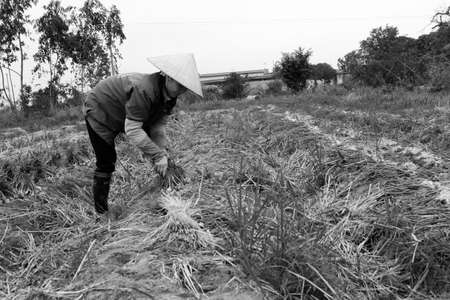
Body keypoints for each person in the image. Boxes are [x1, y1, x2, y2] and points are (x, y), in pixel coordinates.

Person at [83, 53, 203, 215]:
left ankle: (164, 188)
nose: (181, 90)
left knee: (157, 153)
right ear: (166, 76)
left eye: (185, 87)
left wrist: (162, 154)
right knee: (106, 161)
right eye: (179, 84)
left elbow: (157, 127)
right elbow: (133, 129)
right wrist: (157, 155)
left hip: (122, 111)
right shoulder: (145, 90)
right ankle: (102, 213)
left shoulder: (169, 96)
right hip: (100, 109)